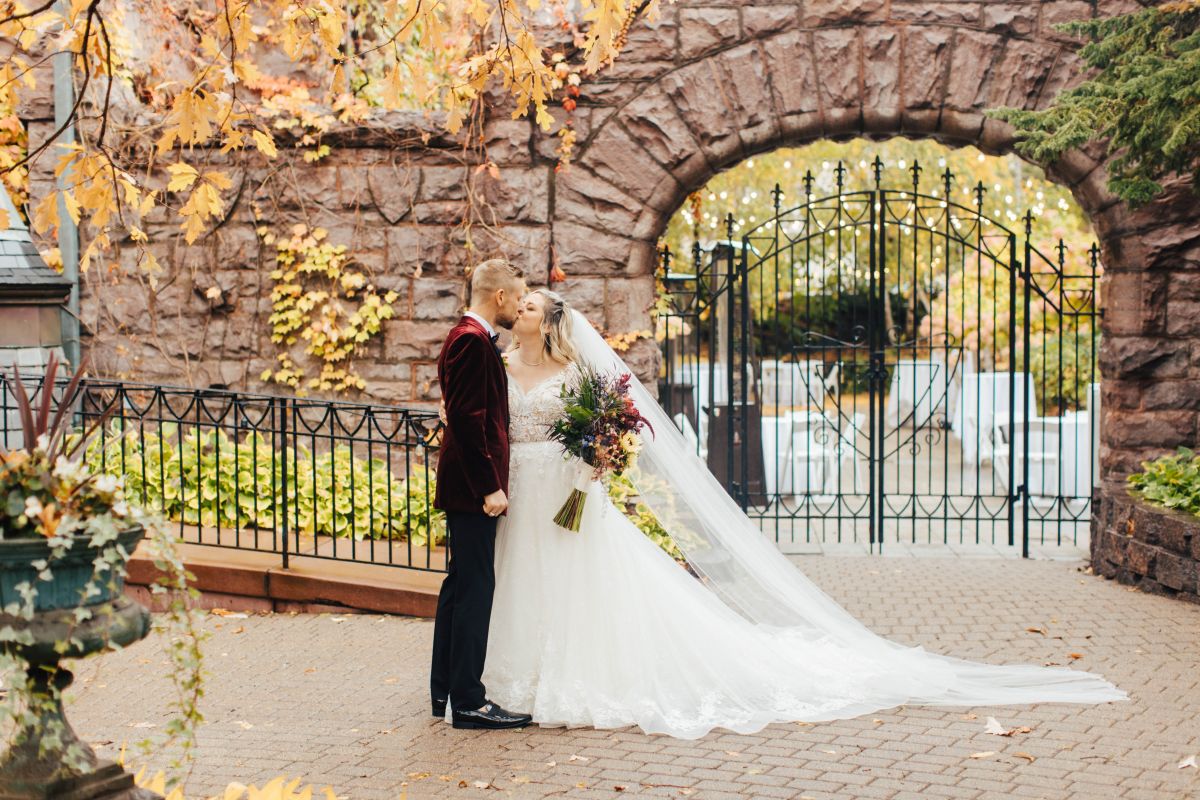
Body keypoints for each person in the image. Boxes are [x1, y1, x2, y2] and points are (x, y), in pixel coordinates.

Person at [477, 288, 1126, 739]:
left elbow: (614, 428)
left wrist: (596, 460)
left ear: (552, 321)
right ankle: (518, 681)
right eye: (520, 303)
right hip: (520, 488)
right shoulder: (500, 364)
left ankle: (569, 677)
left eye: (530, 305)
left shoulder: (576, 371)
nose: (520, 309)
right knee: (523, 576)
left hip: (569, 491)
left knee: (573, 580)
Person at [430, 258, 533, 730]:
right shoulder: (473, 342)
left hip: (463, 484)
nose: (519, 304)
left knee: (459, 586)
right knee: (475, 589)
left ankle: (444, 691)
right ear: (499, 297)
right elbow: (471, 422)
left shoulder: (462, 337)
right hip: (474, 487)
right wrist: (490, 485)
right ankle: (469, 700)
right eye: (518, 295)